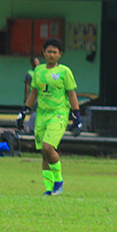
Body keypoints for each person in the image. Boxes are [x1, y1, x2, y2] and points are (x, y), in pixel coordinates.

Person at [17, 38, 82, 196]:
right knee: (44, 153)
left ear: (60, 54)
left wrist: (77, 116)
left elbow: (72, 94)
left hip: (58, 114)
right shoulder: (38, 71)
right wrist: (24, 111)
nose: (51, 55)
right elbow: (34, 92)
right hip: (42, 115)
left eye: (55, 52)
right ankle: (49, 189)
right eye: (49, 51)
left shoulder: (64, 72)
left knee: (48, 147)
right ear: (44, 52)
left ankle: (59, 180)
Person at [23, 56, 41, 133]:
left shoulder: (41, 72)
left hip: (41, 96)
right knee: (36, 111)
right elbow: (27, 86)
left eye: (38, 61)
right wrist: (26, 97)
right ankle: (28, 126)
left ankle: (32, 126)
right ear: (32, 63)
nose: (37, 63)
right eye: (35, 62)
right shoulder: (29, 73)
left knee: (38, 112)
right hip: (33, 96)